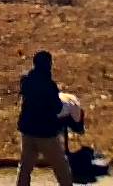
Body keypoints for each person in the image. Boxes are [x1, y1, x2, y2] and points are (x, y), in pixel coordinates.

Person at [17, 51, 74, 186]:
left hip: (28, 130)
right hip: (45, 133)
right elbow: (57, 108)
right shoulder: (49, 85)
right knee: (62, 167)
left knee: (25, 167)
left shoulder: (26, 81)